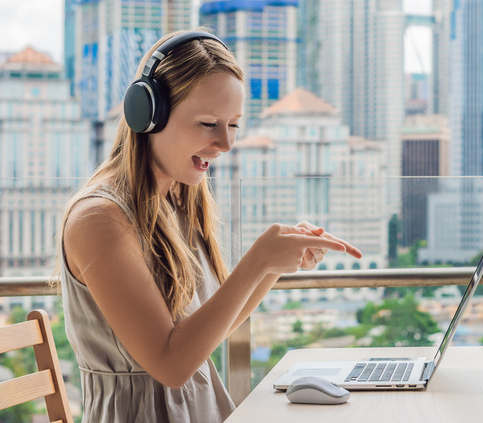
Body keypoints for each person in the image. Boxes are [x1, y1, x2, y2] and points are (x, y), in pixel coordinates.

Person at [56, 28, 361, 422]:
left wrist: (273, 265)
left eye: (233, 125)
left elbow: (210, 331)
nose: (226, 144)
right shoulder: (99, 219)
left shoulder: (177, 202)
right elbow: (170, 364)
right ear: (147, 115)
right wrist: (256, 260)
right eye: (207, 123)